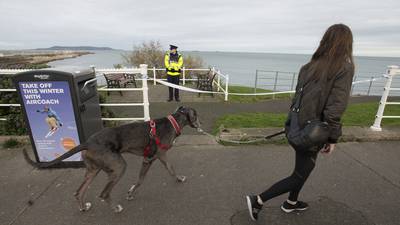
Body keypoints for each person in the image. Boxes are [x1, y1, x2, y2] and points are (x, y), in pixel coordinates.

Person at [246, 24, 355, 221]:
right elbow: (335, 108)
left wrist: (291, 124)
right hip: (312, 131)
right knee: (300, 173)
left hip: (295, 127)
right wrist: (333, 139)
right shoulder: (344, 67)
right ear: (347, 43)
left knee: (302, 169)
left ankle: (291, 203)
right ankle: (258, 200)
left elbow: (297, 99)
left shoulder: (309, 66)